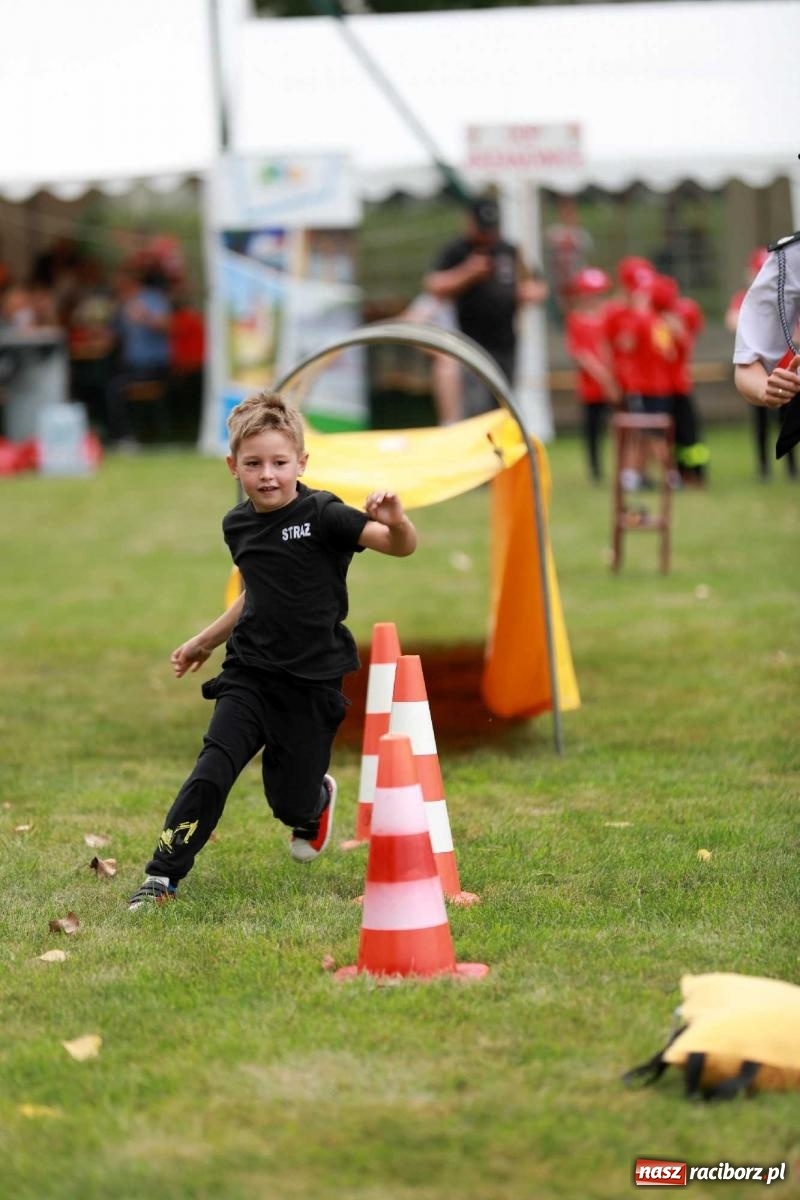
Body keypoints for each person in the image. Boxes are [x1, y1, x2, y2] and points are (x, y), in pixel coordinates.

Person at [128, 390, 417, 909]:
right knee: (212, 769)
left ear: (301, 462)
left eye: (280, 463)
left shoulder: (325, 513)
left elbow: (400, 546)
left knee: (288, 800)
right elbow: (257, 592)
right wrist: (205, 640)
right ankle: (162, 876)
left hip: (311, 682)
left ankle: (315, 804)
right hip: (249, 673)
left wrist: (396, 520)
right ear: (232, 466)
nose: (267, 475)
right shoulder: (236, 524)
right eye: (253, 463)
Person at [424, 196, 547, 417]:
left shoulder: (509, 250)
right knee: (476, 407)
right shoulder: (458, 251)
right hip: (471, 342)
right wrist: (468, 273)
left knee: (502, 406)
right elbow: (434, 284)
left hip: (505, 342)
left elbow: (537, 285)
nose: (487, 235)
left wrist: (525, 293)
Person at [728, 247, 797, 479]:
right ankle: (764, 468)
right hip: (770, 373)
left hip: (789, 368)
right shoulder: (753, 294)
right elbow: (734, 323)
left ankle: (790, 468)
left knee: (787, 422)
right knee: (763, 424)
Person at [563, 266, 619, 482]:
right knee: (593, 429)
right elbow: (581, 354)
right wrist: (603, 376)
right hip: (591, 386)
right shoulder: (576, 320)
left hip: (614, 383)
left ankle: (623, 469)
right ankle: (595, 470)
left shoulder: (610, 315)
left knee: (618, 426)